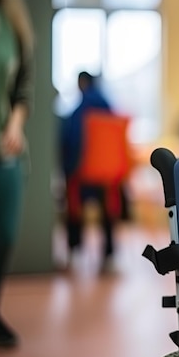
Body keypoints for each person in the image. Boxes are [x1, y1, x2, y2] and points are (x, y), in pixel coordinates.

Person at [0, 0, 34, 347]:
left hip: (1, 155)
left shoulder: (12, 21)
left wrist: (15, 125)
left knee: (2, 238)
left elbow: (21, 91)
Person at [59, 71, 119, 273]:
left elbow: (70, 141)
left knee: (74, 210)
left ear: (81, 84)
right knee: (108, 212)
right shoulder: (109, 109)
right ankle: (109, 256)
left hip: (82, 174)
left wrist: (67, 169)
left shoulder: (77, 112)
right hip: (106, 176)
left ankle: (74, 253)